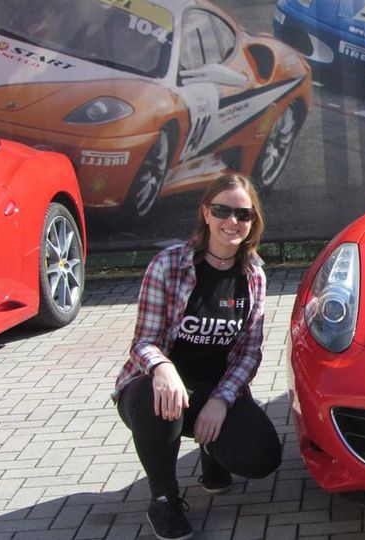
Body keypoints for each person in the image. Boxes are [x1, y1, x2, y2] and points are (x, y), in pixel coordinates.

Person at [113, 174, 280, 540]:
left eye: (243, 214)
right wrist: (162, 367)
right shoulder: (169, 264)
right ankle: (163, 499)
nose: (232, 222)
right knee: (160, 399)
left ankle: (212, 450)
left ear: (253, 221)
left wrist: (221, 399)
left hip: (214, 389)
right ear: (206, 213)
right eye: (222, 210)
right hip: (156, 390)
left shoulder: (254, 275)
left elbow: (250, 353)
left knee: (263, 456)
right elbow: (144, 341)